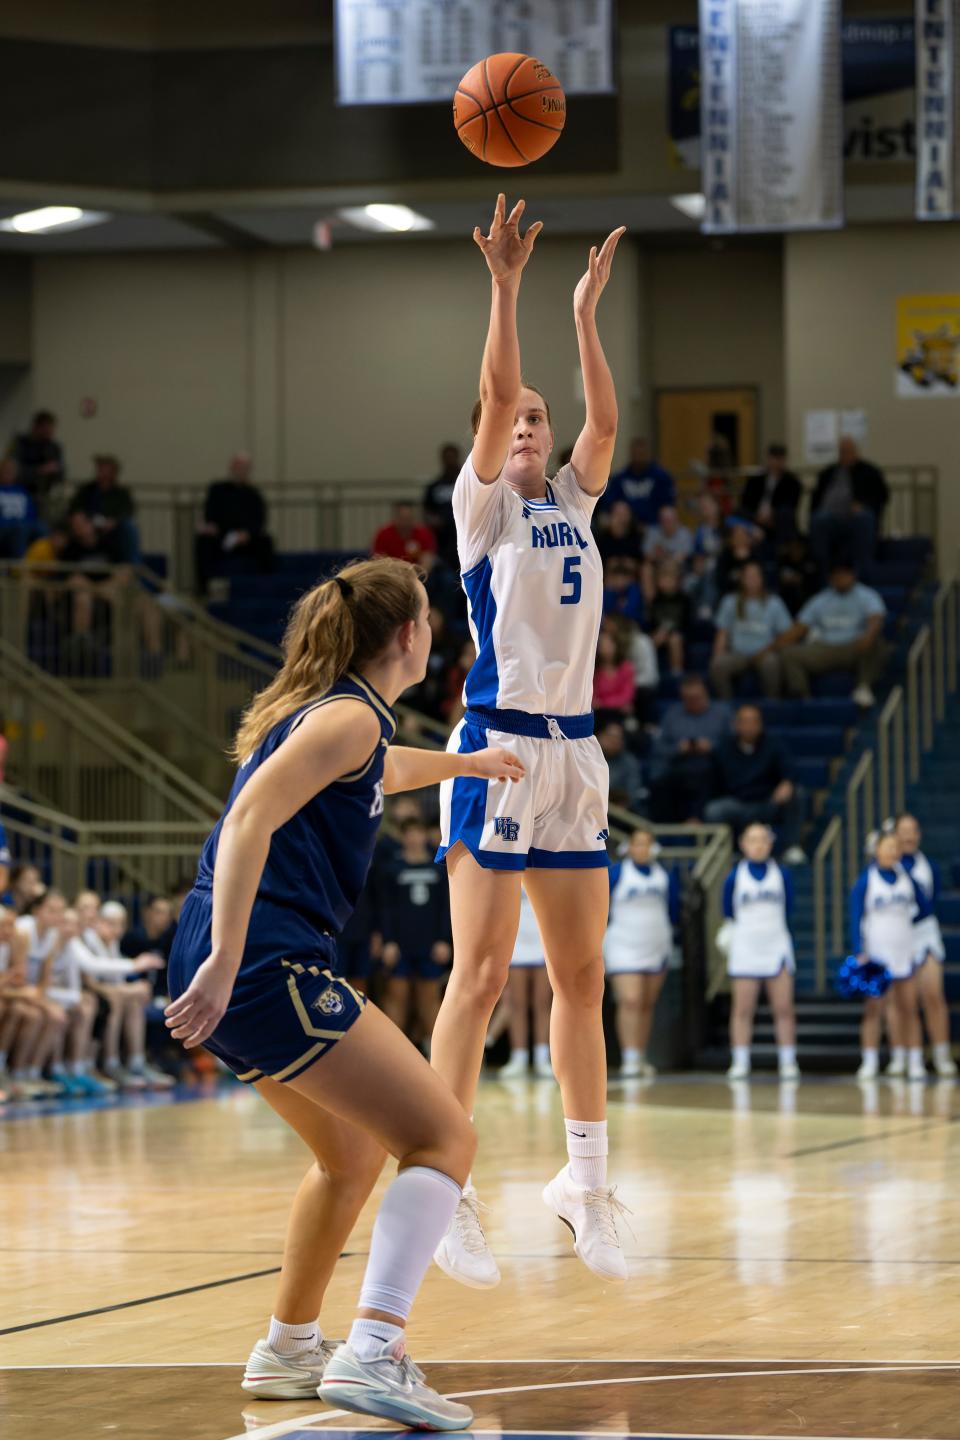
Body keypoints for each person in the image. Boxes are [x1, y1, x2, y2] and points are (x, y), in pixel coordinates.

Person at [165, 555, 524, 1429]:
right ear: (408, 635)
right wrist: (225, 958)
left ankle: (289, 1345)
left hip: (239, 954)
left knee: (353, 1156)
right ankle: (374, 1351)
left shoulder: (345, 718)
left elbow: (378, 770)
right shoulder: (346, 721)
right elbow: (248, 822)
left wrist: (467, 764)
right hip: (261, 960)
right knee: (444, 1133)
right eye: (431, 620)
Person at [431, 194, 630, 1289]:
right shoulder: (482, 512)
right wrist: (506, 288)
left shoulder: (573, 500)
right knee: (476, 982)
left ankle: (584, 1186)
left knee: (582, 975)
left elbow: (604, 424)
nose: (526, 429)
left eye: (536, 425)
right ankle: (447, 1181)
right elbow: (500, 385)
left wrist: (586, 313)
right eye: (511, 422)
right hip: (500, 746)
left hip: (577, 754)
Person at [719, 822, 800, 1081]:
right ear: (743, 844)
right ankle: (740, 1061)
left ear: (770, 843)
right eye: (753, 840)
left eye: (763, 839)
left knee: (784, 1007)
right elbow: (728, 910)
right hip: (746, 946)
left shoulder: (782, 873)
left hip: (776, 944)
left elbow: (789, 907)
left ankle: (788, 1061)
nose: (758, 845)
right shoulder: (734, 876)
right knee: (742, 1009)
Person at [850, 829, 927, 1082]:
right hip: (876, 952)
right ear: (876, 850)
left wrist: (906, 925)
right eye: (887, 847)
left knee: (909, 1007)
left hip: (904, 950)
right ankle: (869, 1061)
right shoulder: (866, 880)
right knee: (875, 1008)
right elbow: (854, 917)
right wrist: (859, 951)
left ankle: (913, 1060)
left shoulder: (908, 879)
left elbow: (925, 908)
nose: (892, 852)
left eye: (896, 847)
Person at [604, 827, 679, 1079]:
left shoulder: (664, 875)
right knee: (631, 1000)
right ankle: (629, 1057)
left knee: (647, 1003)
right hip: (623, 944)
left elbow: (673, 910)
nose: (642, 849)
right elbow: (602, 906)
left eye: (647, 844)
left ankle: (641, 1054)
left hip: (655, 945)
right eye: (638, 844)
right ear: (629, 847)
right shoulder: (616, 873)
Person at [374, 816, 452, 1053]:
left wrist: (444, 939)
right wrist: (388, 941)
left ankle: (438, 1052)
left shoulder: (437, 868)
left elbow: (445, 907)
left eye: (418, 832)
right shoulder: (392, 869)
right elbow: (385, 908)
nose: (414, 838)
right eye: (409, 833)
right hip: (400, 943)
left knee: (429, 998)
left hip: (430, 943)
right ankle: (393, 1053)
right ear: (402, 837)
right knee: (397, 996)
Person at [892, 813, 956, 1079]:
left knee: (933, 995)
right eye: (903, 831)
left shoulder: (928, 866)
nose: (909, 836)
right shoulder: (881, 866)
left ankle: (941, 1054)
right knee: (901, 1002)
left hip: (924, 932)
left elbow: (929, 904)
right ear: (894, 835)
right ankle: (903, 1056)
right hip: (896, 935)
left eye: (913, 830)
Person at [705, 704, 806, 863]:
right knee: (714, 810)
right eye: (745, 721)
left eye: (754, 721)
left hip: (767, 802)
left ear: (760, 724)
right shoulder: (724, 748)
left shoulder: (773, 744)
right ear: (736, 724)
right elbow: (711, 783)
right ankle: (725, 854)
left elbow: (791, 769)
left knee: (796, 793)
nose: (749, 726)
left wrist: (787, 782)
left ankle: (791, 847)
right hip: (737, 803)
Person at [778, 561, 886, 708]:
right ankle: (801, 697)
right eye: (837, 575)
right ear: (831, 578)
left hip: (853, 648)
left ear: (852, 575)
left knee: (876, 641)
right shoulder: (821, 599)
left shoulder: (866, 595)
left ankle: (863, 687)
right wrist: (773, 647)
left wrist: (869, 635)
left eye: (845, 574)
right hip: (825, 648)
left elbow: (876, 618)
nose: (841, 578)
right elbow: (799, 627)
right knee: (789, 654)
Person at [649, 675, 731, 823]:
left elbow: (734, 744)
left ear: (706, 694)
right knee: (659, 784)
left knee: (703, 774)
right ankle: (664, 833)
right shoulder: (672, 715)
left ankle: (695, 818)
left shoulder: (723, 713)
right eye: (688, 698)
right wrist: (678, 748)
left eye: (697, 697)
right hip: (679, 764)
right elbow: (659, 747)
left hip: (712, 765)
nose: (693, 701)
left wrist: (712, 746)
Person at [709, 561, 793, 700]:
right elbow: (722, 632)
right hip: (737, 654)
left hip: (765, 653)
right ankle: (726, 705)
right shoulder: (730, 601)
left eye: (755, 576)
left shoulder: (774, 602)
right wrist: (717, 655)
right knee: (717, 664)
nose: (752, 580)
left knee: (772, 663)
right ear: (742, 579)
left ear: (762, 579)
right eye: (748, 576)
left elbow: (786, 634)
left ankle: (772, 704)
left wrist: (771, 650)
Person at [810, 437, 889, 578]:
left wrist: (863, 505)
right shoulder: (827, 473)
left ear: (856, 452)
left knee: (864, 518)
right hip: (831, 517)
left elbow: (881, 496)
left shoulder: (870, 472)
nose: (845, 455)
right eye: (842, 452)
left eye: (848, 451)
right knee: (819, 519)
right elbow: (815, 501)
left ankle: (862, 573)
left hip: (856, 517)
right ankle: (823, 573)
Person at [196, 453, 274, 594]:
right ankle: (203, 588)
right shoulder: (218, 490)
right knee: (203, 542)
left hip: (245, 539)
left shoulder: (254, 495)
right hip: (221, 537)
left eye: (244, 467)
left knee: (266, 542)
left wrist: (247, 534)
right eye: (238, 466)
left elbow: (259, 521)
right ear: (232, 468)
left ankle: (266, 589)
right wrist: (211, 526)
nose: (241, 471)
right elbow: (210, 514)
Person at [497, 886, 553, 1078]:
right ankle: (518, 1057)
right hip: (516, 941)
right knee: (516, 1003)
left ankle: (542, 1057)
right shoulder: (511, 867)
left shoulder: (545, 866)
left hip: (543, 939)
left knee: (543, 1002)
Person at [69, 454, 140, 564]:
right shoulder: (87, 490)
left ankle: (133, 567)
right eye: (100, 470)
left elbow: (127, 511)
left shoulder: (121, 493)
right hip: (87, 525)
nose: (103, 473)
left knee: (130, 528)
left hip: (113, 528)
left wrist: (114, 522)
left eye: (106, 470)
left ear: (114, 473)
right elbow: (74, 509)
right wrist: (83, 521)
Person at [602, 436, 675, 527]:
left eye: (642, 454)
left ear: (649, 454)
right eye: (636, 454)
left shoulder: (661, 477)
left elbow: (668, 503)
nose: (639, 458)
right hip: (626, 529)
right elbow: (609, 504)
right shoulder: (620, 478)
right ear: (631, 454)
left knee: (667, 513)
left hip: (655, 527)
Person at [738, 444, 801, 542]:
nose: (775, 463)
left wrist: (772, 514)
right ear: (768, 459)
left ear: (784, 460)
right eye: (773, 458)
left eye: (779, 459)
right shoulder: (755, 481)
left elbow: (791, 504)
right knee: (739, 513)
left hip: (777, 518)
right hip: (755, 515)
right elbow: (745, 502)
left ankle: (782, 549)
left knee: (785, 514)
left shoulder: (792, 482)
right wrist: (757, 516)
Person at [12, 409, 65, 511]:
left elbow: (62, 472)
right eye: (46, 428)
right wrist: (39, 470)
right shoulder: (22, 444)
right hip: (22, 491)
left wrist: (55, 470)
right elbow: (14, 471)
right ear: (37, 427)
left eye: (51, 428)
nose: (49, 432)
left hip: (46, 493)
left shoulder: (54, 448)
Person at [647, 559, 692, 676]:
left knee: (674, 639)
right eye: (663, 578)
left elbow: (685, 622)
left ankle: (677, 672)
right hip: (659, 633)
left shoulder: (684, 600)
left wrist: (668, 631)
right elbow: (652, 621)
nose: (665, 582)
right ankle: (650, 674)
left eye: (669, 578)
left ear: (676, 581)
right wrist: (659, 633)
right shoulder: (656, 601)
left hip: (678, 634)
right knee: (648, 642)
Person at [422, 443, 462, 566]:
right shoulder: (434, 486)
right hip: (442, 538)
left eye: (452, 457)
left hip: (463, 531)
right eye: (447, 457)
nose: (450, 461)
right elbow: (426, 510)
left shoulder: (466, 484)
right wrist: (434, 521)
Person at [598, 719, 646, 812]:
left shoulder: (629, 761)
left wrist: (623, 804)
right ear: (599, 736)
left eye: (617, 738)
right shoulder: (588, 757)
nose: (613, 741)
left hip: (618, 811)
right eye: (610, 736)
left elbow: (633, 792)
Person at [371, 502, 437, 567]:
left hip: (415, 574)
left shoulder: (424, 534)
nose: (405, 523)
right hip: (391, 573)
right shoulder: (383, 535)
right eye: (402, 519)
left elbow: (427, 562)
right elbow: (379, 561)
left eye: (408, 519)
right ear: (395, 518)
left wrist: (416, 576)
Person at [592, 628, 636, 724]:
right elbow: (594, 697)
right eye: (601, 645)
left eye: (608, 644)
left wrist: (603, 703)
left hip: (619, 714)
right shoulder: (594, 668)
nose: (604, 648)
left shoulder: (626, 667)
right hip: (600, 714)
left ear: (616, 645)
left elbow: (626, 696)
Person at [0, 457, 38, 559]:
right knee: (19, 529)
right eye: (6, 470)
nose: (8, 473)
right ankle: (18, 567)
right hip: (4, 526)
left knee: (42, 529)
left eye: (11, 470)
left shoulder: (22, 491)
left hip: (23, 524)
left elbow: (32, 514)